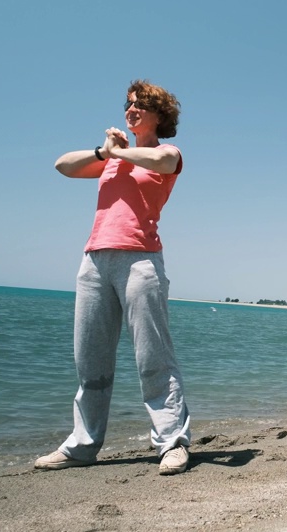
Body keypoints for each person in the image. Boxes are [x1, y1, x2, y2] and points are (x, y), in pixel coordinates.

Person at [35, 80, 192, 476]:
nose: (131, 109)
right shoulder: (113, 159)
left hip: (140, 262)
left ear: (159, 115)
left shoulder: (163, 152)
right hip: (94, 262)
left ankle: (172, 441)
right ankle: (83, 446)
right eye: (129, 104)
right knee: (90, 360)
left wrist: (121, 150)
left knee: (153, 358)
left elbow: (164, 164)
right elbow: (62, 166)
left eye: (141, 105)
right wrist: (103, 152)